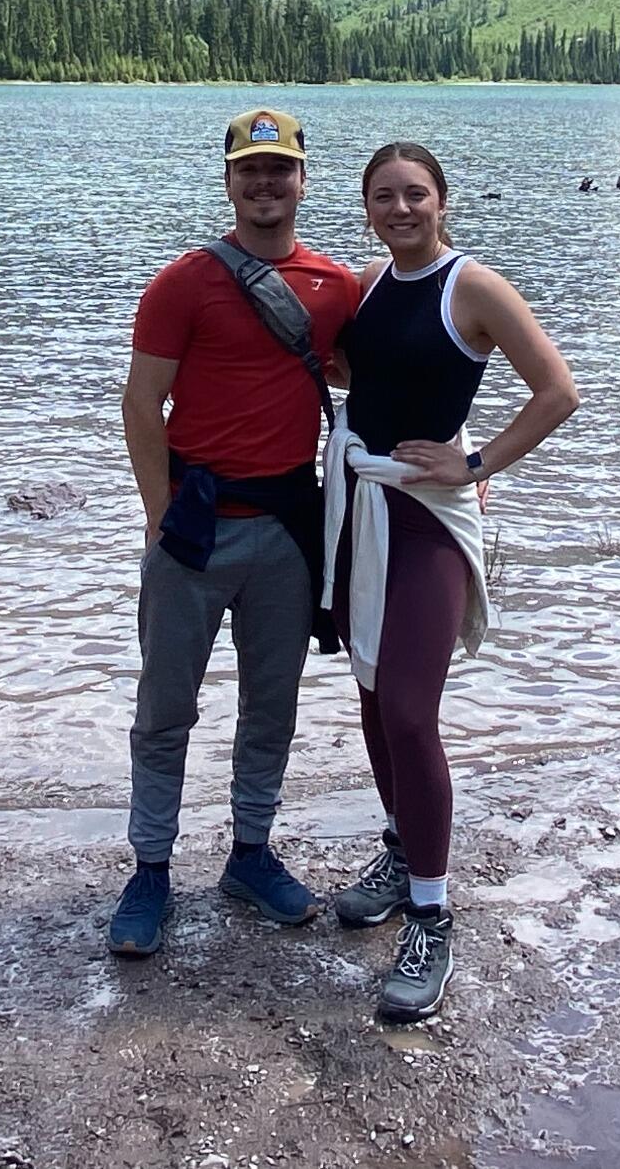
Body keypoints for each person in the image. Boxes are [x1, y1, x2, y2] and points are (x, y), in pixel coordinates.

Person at [323, 141, 579, 1020]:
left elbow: (557, 391)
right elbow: (356, 370)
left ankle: (431, 915)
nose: (401, 209)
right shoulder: (364, 283)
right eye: (384, 197)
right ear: (365, 208)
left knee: (407, 709)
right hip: (362, 507)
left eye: (416, 195)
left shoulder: (472, 285)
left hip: (429, 513)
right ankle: (400, 852)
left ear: (443, 202)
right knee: (367, 696)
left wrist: (475, 460)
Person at [107, 107, 362, 957]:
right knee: (165, 707)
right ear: (228, 180)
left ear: (302, 179)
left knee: (272, 705)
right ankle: (150, 868)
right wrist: (157, 515)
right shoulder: (181, 283)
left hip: (289, 525)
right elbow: (142, 406)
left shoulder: (333, 287)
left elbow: (377, 385)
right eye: (250, 170)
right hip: (197, 525)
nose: (265, 183)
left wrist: (460, 471)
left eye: (279, 168)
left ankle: (250, 854)